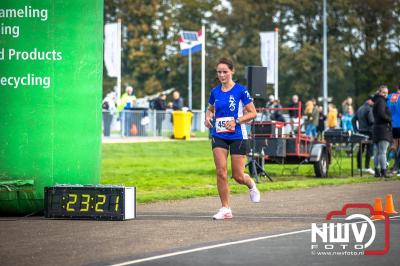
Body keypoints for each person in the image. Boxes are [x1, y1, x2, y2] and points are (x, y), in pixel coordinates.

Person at [204, 57, 260, 220]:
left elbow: (252, 113)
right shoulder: (215, 92)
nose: (222, 75)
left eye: (225, 72)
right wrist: (208, 118)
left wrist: (235, 121)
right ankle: (225, 208)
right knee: (221, 171)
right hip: (219, 134)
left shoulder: (241, 91)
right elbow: (210, 109)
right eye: (219, 72)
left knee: (237, 175)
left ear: (232, 72)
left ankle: (250, 184)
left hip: (237, 135)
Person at [372, 85, 392, 177]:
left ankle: (377, 172)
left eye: (387, 93)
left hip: (376, 129)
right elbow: (381, 113)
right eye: (384, 92)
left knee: (377, 152)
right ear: (379, 92)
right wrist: (389, 119)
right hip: (383, 129)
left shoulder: (376, 101)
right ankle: (383, 171)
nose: (385, 95)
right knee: (382, 152)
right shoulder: (381, 101)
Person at [351, 96, 375, 175]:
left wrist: (355, 130)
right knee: (369, 150)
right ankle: (367, 167)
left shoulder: (360, 108)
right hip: (369, 132)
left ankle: (359, 167)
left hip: (361, 132)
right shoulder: (369, 109)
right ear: (369, 101)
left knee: (361, 150)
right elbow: (371, 121)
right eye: (373, 101)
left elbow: (353, 120)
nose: (374, 103)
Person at [387, 83, 400, 174]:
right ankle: (396, 167)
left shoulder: (389, 96)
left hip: (391, 124)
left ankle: (387, 163)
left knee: (395, 145)